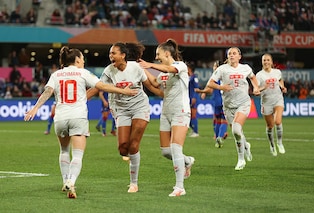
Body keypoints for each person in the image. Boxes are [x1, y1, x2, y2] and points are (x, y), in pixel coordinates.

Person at [24, 46, 137, 199]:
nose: (83, 62)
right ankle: (71, 181)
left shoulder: (56, 74)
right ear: (77, 60)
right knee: (77, 155)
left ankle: (65, 181)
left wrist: (35, 109)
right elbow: (102, 86)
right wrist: (124, 91)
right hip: (78, 117)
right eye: (82, 59)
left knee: (64, 151)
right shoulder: (83, 73)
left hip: (60, 118)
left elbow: (47, 92)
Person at [87, 42, 162, 194]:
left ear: (123, 55)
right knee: (123, 149)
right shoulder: (109, 71)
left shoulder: (135, 67)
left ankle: (133, 183)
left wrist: (166, 95)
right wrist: (79, 99)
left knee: (134, 145)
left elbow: (150, 85)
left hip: (139, 106)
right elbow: (97, 87)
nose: (111, 56)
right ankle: (131, 156)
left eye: (113, 53)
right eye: (110, 53)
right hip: (121, 109)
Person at [139, 39, 195, 197]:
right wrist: (142, 69)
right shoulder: (164, 73)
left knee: (176, 147)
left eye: (158, 54)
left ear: (166, 53)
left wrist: (150, 65)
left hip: (181, 111)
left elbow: (169, 68)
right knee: (165, 151)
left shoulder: (180, 66)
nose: (157, 57)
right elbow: (154, 84)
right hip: (166, 113)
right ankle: (187, 161)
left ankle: (179, 187)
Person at [201, 47, 260, 171]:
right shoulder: (222, 69)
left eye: (234, 53)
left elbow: (253, 77)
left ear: (239, 56)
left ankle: (241, 159)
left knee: (236, 130)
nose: (232, 55)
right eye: (229, 54)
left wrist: (255, 87)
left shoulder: (246, 68)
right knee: (237, 131)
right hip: (228, 106)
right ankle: (246, 145)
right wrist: (222, 87)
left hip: (243, 103)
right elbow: (210, 84)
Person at [256, 53, 287, 156]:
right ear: (262, 62)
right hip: (266, 102)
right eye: (264, 60)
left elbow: (280, 80)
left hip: (278, 99)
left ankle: (279, 143)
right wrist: (263, 87)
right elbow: (255, 91)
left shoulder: (277, 72)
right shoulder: (259, 75)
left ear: (272, 62)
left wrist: (282, 87)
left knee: (278, 121)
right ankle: (272, 145)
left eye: (268, 60)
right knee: (270, 126)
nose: (266, 62)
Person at [196, 60, 228, 148]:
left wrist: (201, 91)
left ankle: (217, 137)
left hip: (217, 101)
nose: (213, 67)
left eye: (214, 66)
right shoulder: (226, 76)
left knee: (217, 120)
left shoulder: (215, 76)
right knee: (224, 121)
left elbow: (209, 89)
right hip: (224, 101)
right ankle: (219, 137)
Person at [187, 62, 200, 137]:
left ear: (189, 69)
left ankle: (196, 132)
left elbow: (197, 89)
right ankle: (193, 129)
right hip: (187, 99)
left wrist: (194, 97)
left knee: (193, 116)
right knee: (187, 116)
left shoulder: (194, 77)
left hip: (193, 99)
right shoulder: (187, 77)